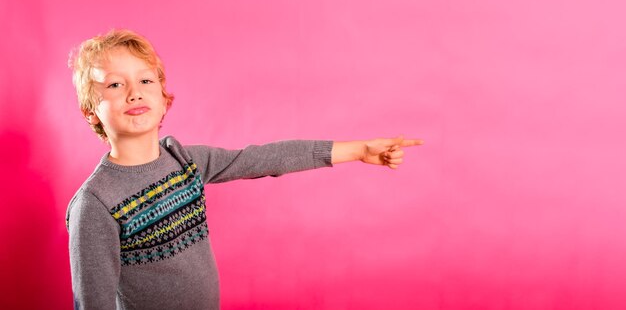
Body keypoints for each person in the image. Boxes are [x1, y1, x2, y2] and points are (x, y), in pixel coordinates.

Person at [66, 29, 423, 310]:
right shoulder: (95, 204)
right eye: (114, 84)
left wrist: (360, 150)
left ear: (163, 100)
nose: (133, 93)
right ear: (90, 111)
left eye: (145, 81)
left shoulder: (184, 161)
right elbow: (92, 302)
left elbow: (266, 158)